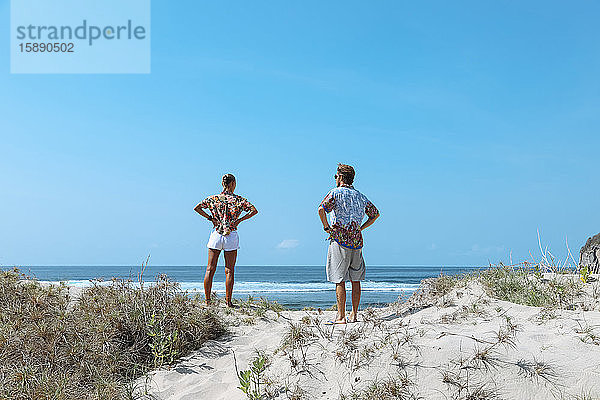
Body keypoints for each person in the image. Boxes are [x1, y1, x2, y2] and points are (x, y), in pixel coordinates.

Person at [318, 164, 380, 323]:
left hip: (340, 239)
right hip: (357, 241)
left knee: (339, 279)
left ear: (340, 177)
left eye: (335, 176)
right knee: (355, 280)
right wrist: (361, 227)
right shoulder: (361, 196)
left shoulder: (336, 193)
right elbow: (375, 214)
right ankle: (354, 314)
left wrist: (326, 228)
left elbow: (321, 209)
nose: (335, 179)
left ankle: (341, 316)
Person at [194, 174, 258, 307]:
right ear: (233, 183)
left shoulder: (213, 199)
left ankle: (207, 301)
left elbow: (197, 208)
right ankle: (228, 302)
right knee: (229, 270)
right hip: (231, 234)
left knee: (210, 269)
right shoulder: (239, 200)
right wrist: (239, 220)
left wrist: (210, 218)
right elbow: (253, 211)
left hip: (216, 234)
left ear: (222, 183)